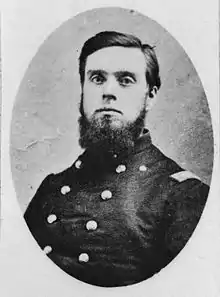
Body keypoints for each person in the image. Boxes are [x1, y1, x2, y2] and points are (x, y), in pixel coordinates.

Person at [24, 31, 209, 287]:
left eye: (125, 80)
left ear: (150, 96)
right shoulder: (50, 189)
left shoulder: (182, 195)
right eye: (97, 78)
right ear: (83, 91)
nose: (108, 92)